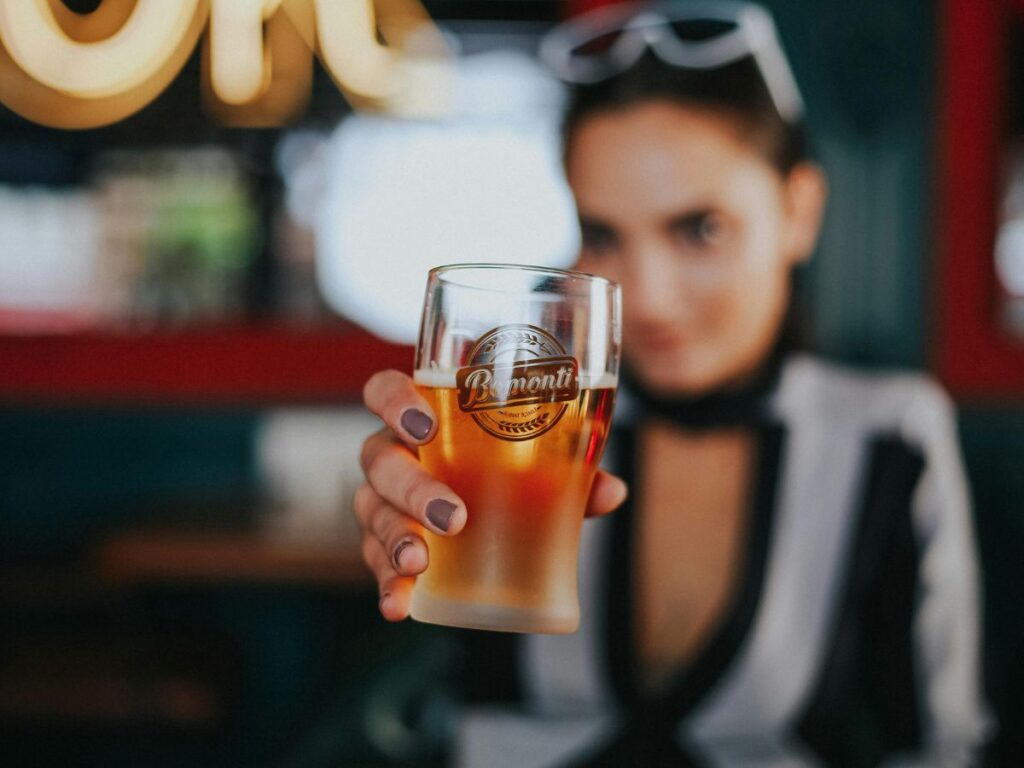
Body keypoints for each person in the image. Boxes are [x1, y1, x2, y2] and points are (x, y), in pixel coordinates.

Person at [353, 2, 989, 765]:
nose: (646, 297)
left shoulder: (887, 437)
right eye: (604, 234)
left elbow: (938, 747)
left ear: (800, 211)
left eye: (700, 229)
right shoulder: (525, 424)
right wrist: (405, 522)